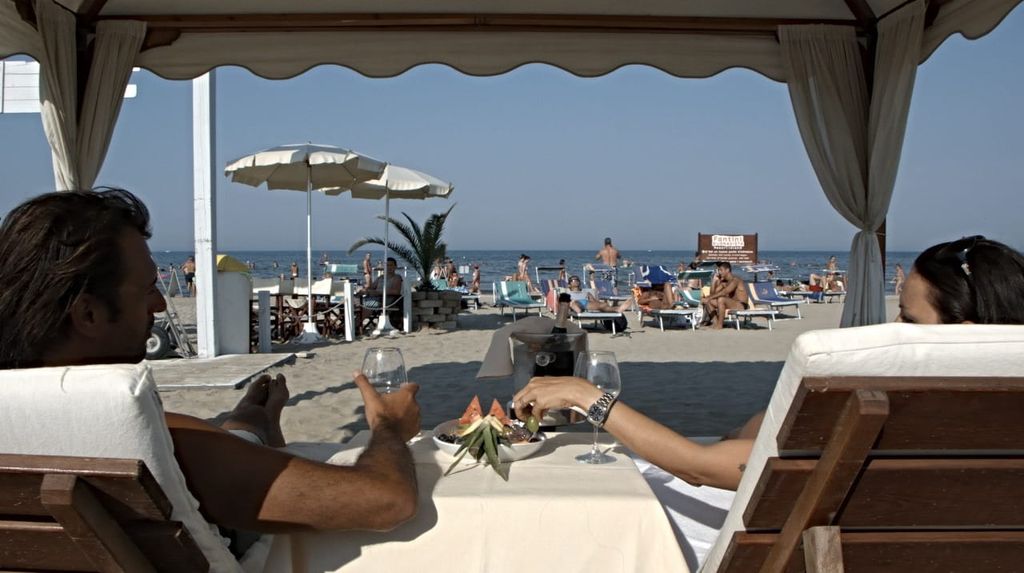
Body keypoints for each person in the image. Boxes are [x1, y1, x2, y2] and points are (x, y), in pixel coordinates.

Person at [0, 190, 421, 541]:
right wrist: (389, 428)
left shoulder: (30, 423)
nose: (161, 303)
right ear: (88, 314)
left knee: (245, 431)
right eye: (147, 289)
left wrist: (246, 425)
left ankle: (253, 425)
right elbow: (387, 500)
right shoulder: (136, 438)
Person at [514, 236, 1024, 492]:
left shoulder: (881, 405)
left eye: (909, 319)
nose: (894, 329)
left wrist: (588, 397)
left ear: (966, 331)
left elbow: (700, 467)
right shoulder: (993, 422)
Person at [702, 261, 749, 329]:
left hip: (741, 305)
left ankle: (720, 325)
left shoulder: (735, 280)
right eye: (718, 270)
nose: (719, 272)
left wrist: (708, 297)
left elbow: (724, 292)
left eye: (721, 270)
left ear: (727, 270)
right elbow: (713, 294)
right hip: (732, 303)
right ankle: (716, 323)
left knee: (721, 299)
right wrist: (714, 281)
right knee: (709, 301)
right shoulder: (724, 283)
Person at [361, 257, 403, 330]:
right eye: (387, 265)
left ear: (395, 267)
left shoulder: (397, 277)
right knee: (357, 303)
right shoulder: (381, 277)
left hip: (386, 300)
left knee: (364, 305)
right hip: (375, 298)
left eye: (391, 265)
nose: (389, 267)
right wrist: (365, 289)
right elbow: (371, 287)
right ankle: (352, 324)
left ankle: (355, 324)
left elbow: (396, 291)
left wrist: (378, 292)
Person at [566, 275, 632, 314]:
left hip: (586, 304)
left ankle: (617, 309)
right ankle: (577, 308)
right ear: (569, 284)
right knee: (573, 302)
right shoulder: (567, 293)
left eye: (577, 280)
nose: (576, 281)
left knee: (603, 304)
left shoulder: (586, 292)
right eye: (573, 280)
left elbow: (594, 302)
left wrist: (600, 305)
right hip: (574, 303)